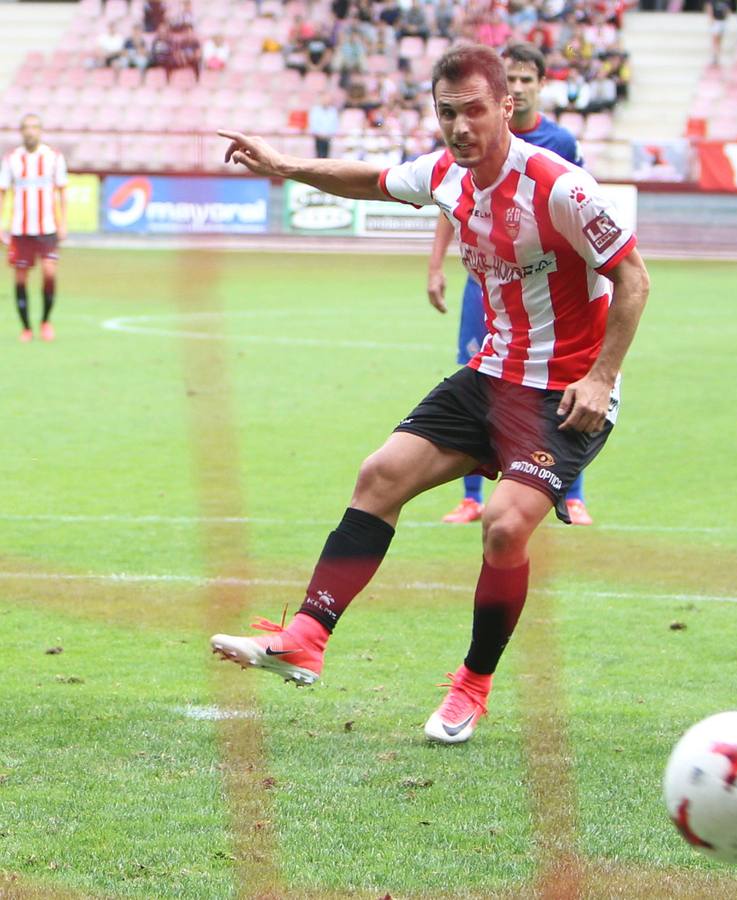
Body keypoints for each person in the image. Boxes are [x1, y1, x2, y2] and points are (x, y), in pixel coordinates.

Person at [210, 44, 650, 745]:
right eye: (447, 113)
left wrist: (600, 377)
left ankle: (471, 686)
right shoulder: (447, 173)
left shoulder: (559, 186)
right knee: (380, 473)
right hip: (491, 376)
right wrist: (286, 166)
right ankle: (305, 637)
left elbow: (634, 280)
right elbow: (370, 178)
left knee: (505, 524)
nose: (459, 126)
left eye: (474, 109)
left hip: (564, 388)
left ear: (506, 106)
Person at [428, 42, 596, 526]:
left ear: (540, 85)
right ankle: (471, 495)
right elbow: (448, 197)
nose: (519, 88)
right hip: (486, 281)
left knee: (561, 379)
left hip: (542, 286)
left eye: (527, 79)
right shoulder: (469, 134)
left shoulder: (559, 144)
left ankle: (569, 491)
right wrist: (436, 264)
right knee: (474, 373)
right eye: (512, 79)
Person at [0, 115, 68, 343]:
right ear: (21, 131)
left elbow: (61, 191)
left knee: (49, 273)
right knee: (21, 279)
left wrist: (63, 223)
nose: (30, 132)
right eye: (26, 128)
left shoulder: (53, 157)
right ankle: (26, 327)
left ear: (40, 130)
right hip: (20, 230)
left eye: (34, 127)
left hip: (47, 229)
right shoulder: (12, 159)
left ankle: (46, 321)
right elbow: (2, 192)